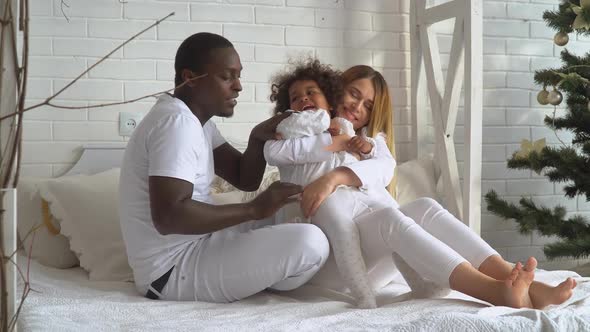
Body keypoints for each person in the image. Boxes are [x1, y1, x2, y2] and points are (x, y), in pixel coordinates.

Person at [265, 64, 578, 309]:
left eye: (368, 104)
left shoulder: (369, 143)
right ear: (333, 90)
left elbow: (385, 169)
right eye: (353, 94)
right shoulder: (301, 133)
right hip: (335, 261)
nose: (358, 106)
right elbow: (273, 144)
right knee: (391, 218)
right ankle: (494, 291)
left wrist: (334, 177)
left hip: (371, 257)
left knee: (425, 207)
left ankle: (525, 284)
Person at [118, 32, 329, 303]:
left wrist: (256, 139)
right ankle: (260, 278)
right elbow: (168, 217)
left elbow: (245, 178)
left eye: (238, 76)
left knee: (288, 215)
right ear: (190, 78)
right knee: (311, 242)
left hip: (198, 245)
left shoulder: (197, 122)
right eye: (227, 76)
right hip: (171, 272)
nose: (238, 86)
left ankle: (256, 275)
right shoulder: (176, 124)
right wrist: (253, 209)